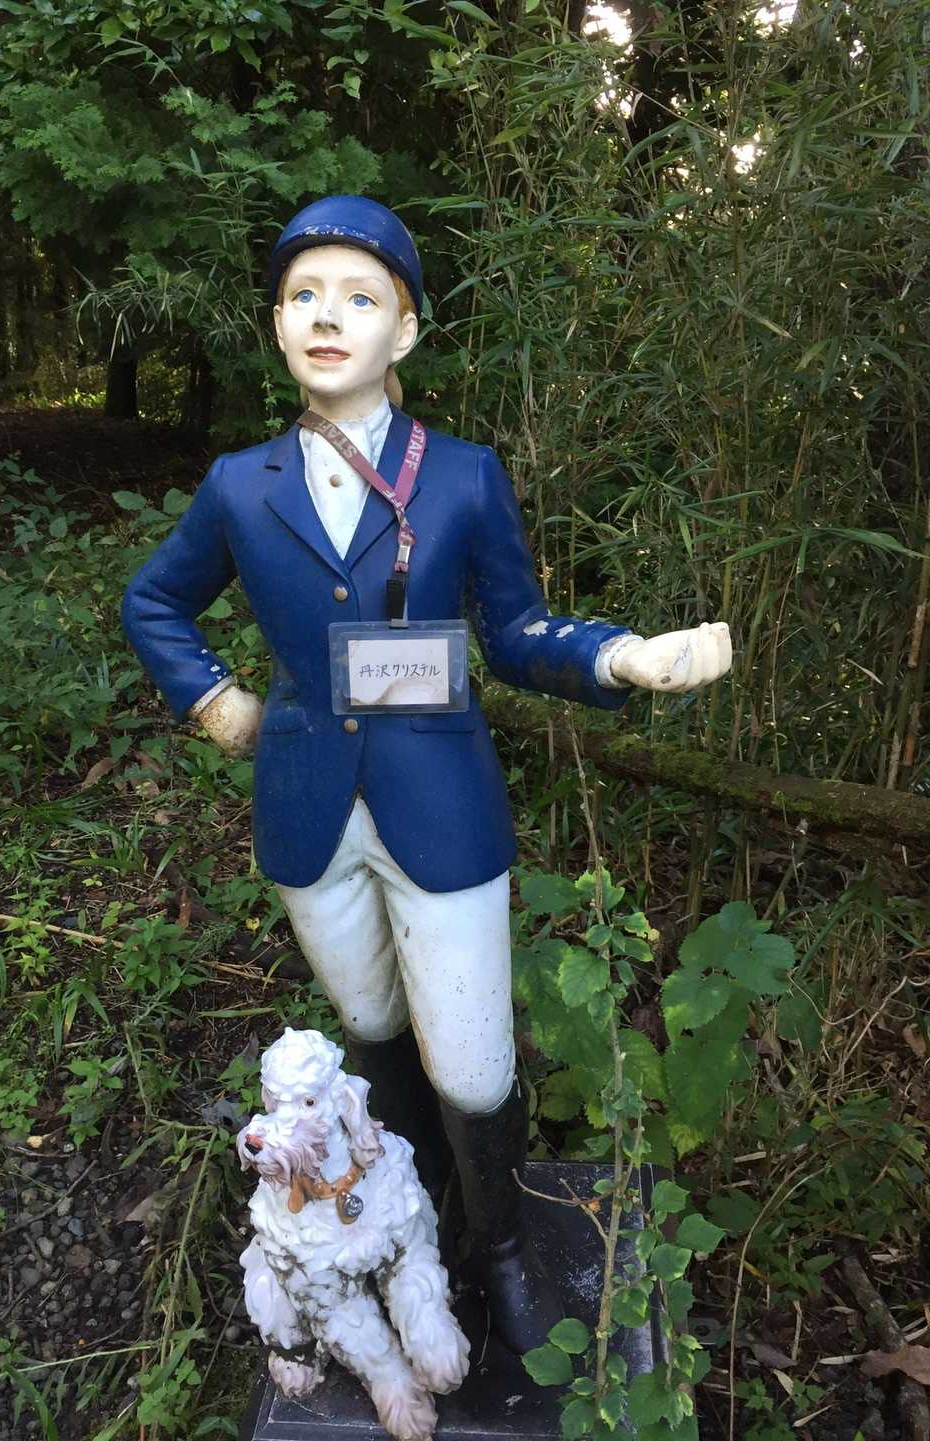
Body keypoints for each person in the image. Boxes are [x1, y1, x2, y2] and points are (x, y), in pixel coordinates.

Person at [121, 195, 732, 1354]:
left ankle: (499, 1246)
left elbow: (516, 630)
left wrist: (618, 655)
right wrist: (211, 697)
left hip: (439, 802)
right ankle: (414, 1217)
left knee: (475, 1057)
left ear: (404, 329)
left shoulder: (460, 476)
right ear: (276, 325)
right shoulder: (240, 484)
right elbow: (154, 598)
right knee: (370, 1023)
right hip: (307, 802)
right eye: (303, 296)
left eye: (359, 297)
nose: (327, 317)